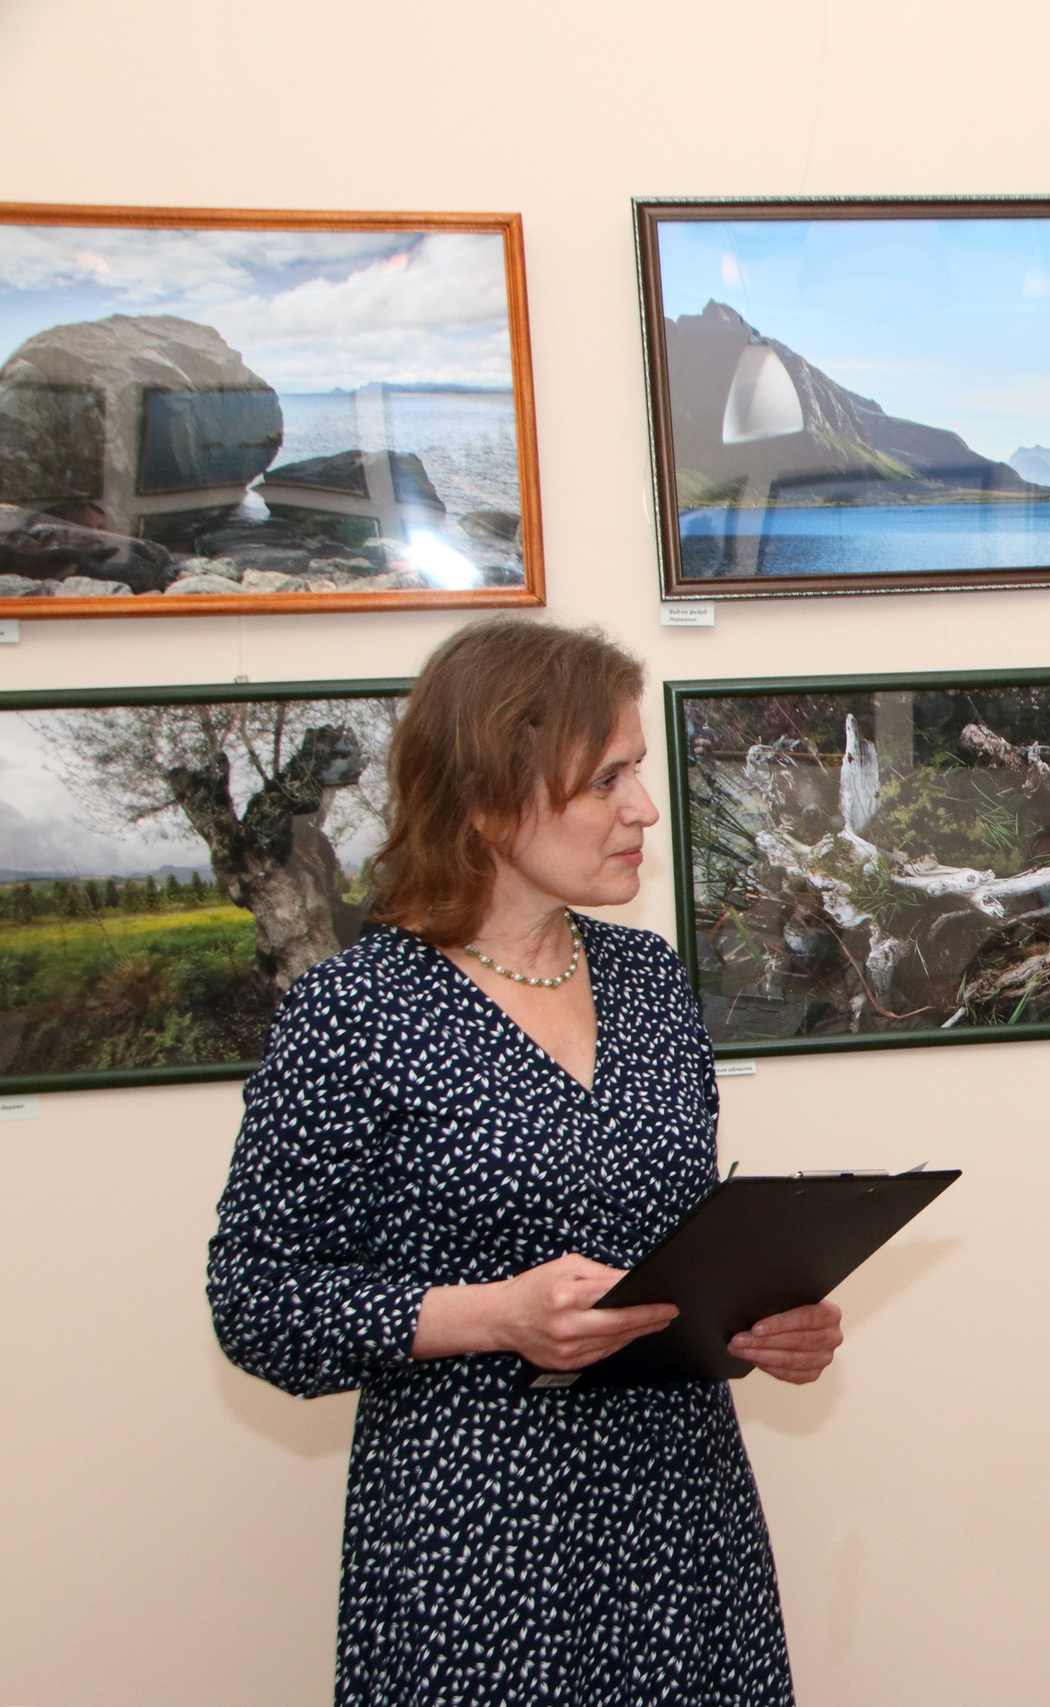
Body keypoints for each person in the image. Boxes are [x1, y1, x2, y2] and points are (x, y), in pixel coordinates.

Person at [207, 618, 842, 1706]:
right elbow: (258, 1302)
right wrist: (496, 1315)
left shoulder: (648, 986)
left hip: (680, 1520)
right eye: (607, 780)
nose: (643, 807)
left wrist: (759, 1322)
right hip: (475, 1536)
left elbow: (663, 1261)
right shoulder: (355, 1010)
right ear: (491, 796)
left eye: (635, 771)